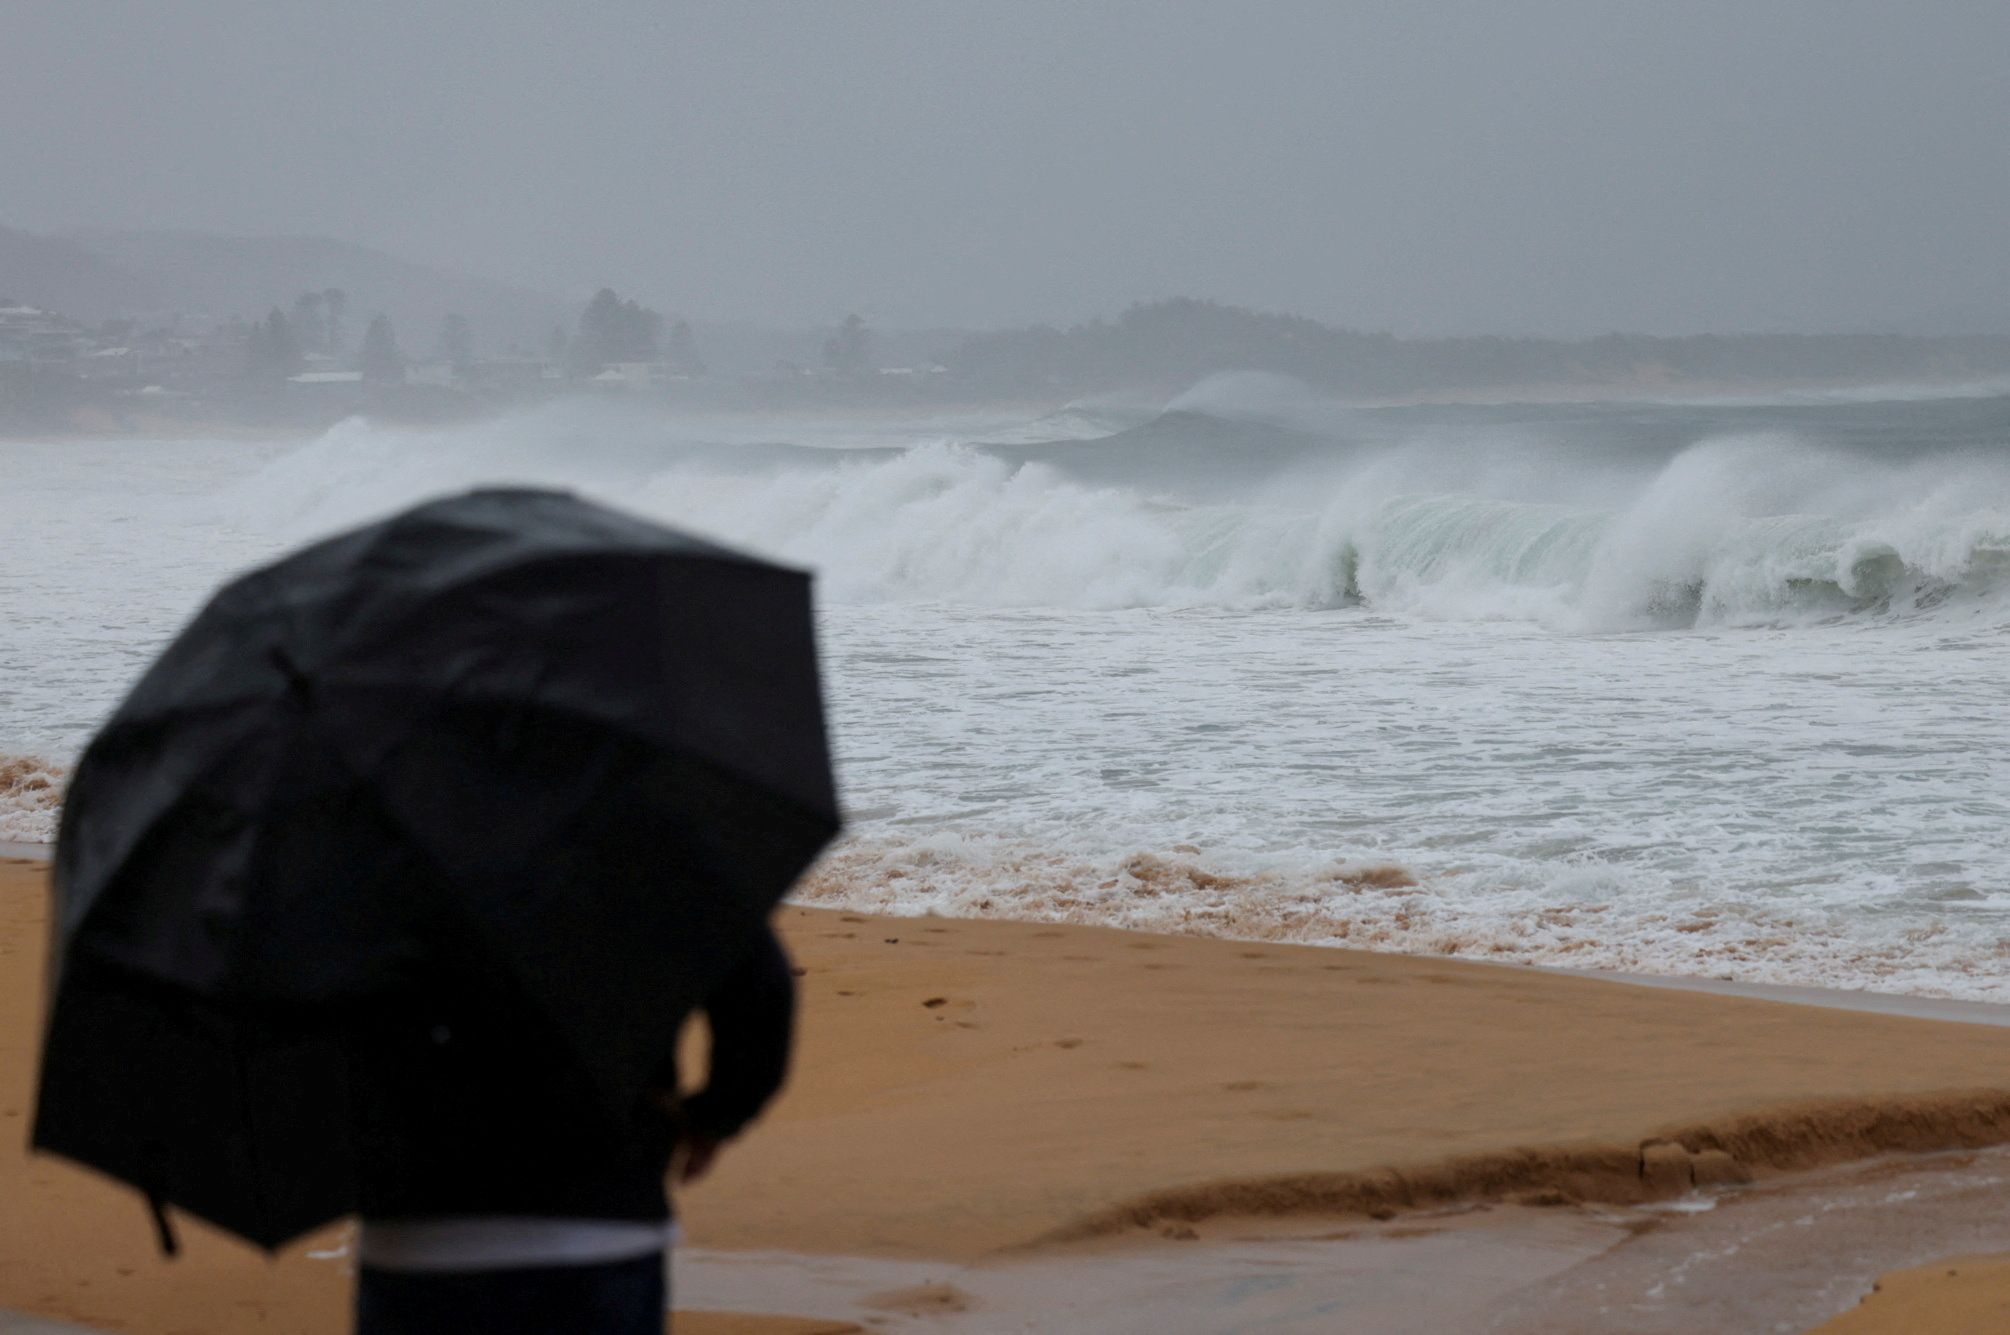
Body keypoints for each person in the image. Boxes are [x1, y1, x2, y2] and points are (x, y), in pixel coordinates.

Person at [345, 922, 796, 1335]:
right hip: (602, 1220)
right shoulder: (628, 851)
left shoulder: (372, 855)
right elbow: (760, 983)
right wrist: (717, 1116)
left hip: (413, 1235)